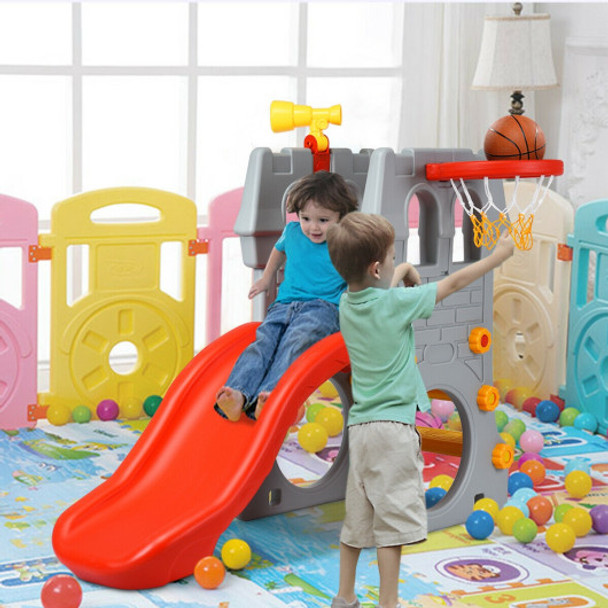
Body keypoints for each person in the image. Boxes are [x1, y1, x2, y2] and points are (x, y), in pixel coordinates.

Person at [325, 212, 514, 608]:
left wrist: (404, 268)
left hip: (359, 429)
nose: (396, 264)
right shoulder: (398, 304)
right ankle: (389, 602)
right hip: (394, 431)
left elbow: (380, 292)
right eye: (393, 258)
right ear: (377, 267)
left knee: (358, 521)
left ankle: (344, 597)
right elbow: (454, 283)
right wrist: (497, 256)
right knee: (391, 526)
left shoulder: (346, 304)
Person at [215, 171, 358, 422]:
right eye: (306, 218)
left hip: (322, 308)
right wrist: (266, 278)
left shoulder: (344, 241)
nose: (313, 227)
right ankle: (238, 393)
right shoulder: (293, 231)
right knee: (264, 342)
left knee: (295, 342)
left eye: (323, 220)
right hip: (284, 304)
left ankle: (271, 396)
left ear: (341, 217)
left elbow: (358, 272)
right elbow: (279, 251)